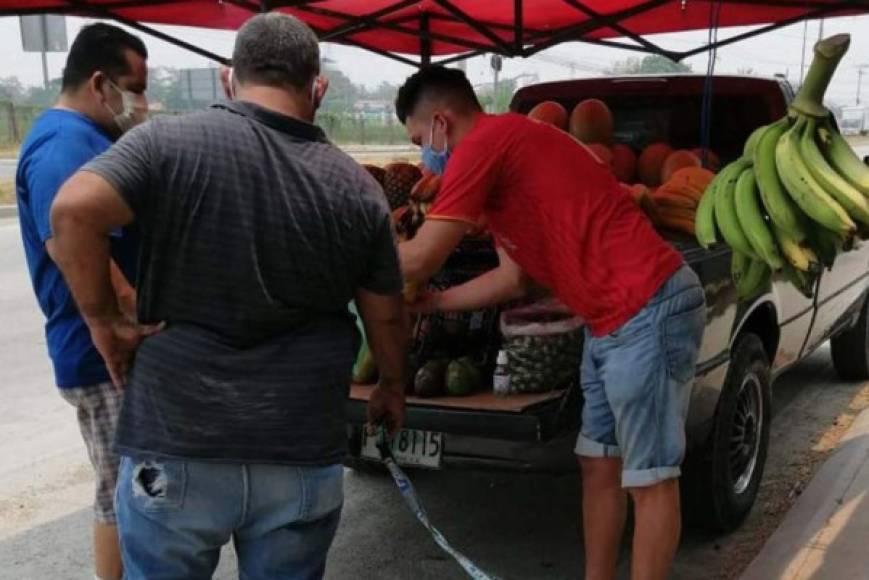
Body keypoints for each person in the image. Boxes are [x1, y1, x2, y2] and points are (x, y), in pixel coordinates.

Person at [49, 13, 407, 579]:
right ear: (319, 87)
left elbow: (73, 211)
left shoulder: (164, 143)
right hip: (299, 445)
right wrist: (391, 384)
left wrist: (102, 320)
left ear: (227, 79)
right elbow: (385, 316)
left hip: (176, 439)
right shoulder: (356, 187)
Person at [394, 66, 706, 580]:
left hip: (649, 305)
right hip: (606, 323)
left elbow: (422, 257)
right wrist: (430, 304)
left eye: (419, 140)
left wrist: (349, 262)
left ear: (441, 124)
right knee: (598, 465)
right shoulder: (497, 169)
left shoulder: (486, 143)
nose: (428, 155)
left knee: (650, 479)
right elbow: (514, 280)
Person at [15, 23, 148, 580]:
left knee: (138, 489)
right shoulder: (64, 146)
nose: (141, 102)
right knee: (122, 493)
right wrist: (125, 321)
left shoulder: (88, 140)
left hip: (109, 349)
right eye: (134, 86)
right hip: (102, 355)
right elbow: (77, 247)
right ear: (100, 83)